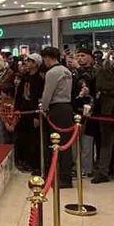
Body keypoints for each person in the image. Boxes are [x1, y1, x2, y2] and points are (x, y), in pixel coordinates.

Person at [39, 47, 74, 187]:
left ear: (47, 58)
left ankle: (62, 177)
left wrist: (44, 108)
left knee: (57, 144)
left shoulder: (52, 72)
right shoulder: (66, 70)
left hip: (57, 108)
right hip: (67, 107)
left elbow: (47, 93)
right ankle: (65, 175)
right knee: (65, 144)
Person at [14, 54, 45, 172]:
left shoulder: (40, 78)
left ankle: (35, 163)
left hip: (34, 112)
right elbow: (19, 94)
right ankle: (23, 160)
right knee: (23, 137)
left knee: (34, 139)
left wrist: (37, 116)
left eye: (30, 61)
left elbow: (40, 97)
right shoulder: (25, 77)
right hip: (24, 111)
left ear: (36, 64)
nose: (26, 63)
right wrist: (17, 108)